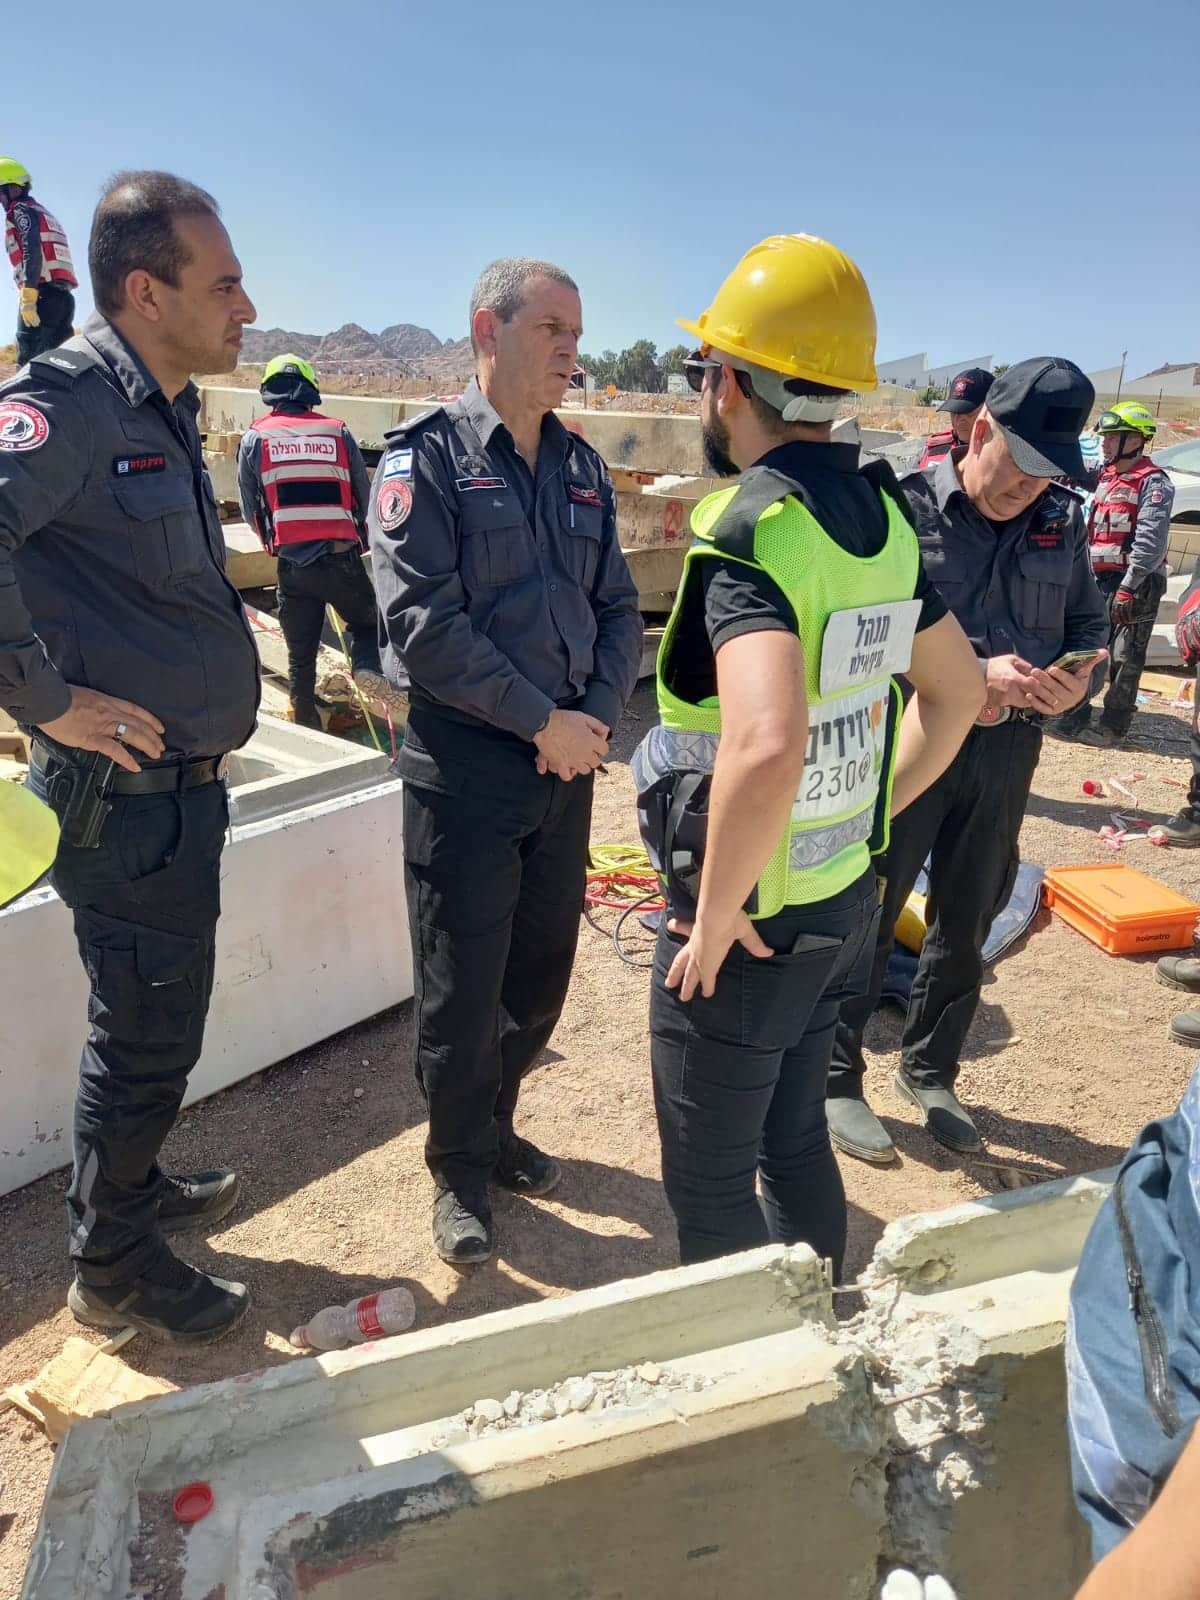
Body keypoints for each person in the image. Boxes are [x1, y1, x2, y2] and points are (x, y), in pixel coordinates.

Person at [633, 233, 983, 1273]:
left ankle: (756, 1364)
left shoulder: (752, 533)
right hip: (840, 901)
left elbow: (768, 739)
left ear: (732, 383)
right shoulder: (883, 520)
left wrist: (716, 912)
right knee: (792, 1143)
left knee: (710, 1189)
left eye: (706, 371)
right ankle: (818, 1335)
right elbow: (958, 694)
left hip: (754, 925)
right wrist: (868, 817)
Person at [1, 171, 260, 1343]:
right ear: (147, 292)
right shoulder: (72, 399)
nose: (246, 306)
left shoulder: (161, 405)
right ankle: (110, 1268)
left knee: (160, 1019)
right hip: (124, 802)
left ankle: (135, 1190)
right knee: (145, 1032)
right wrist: (46, 702)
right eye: (225, 284)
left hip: (175, 799)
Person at [371, 257, 642, 1265]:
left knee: (539, 972)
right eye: (551, 330)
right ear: (489, 331)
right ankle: (456, 1168)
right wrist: (542, 721)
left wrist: (596, 715)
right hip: (470, 767)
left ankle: (496, 1123)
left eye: (577, 333)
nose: (572, 351)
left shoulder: (581, 468)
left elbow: (620, 608)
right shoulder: (427, 461)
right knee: (462, 984)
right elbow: (424, 624)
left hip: (565, 764)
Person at [826, 358, 1110, 1166]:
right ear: (980, 429)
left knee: (969, 912)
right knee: (870, 908)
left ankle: (930, 1070)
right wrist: (969, 676)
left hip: (1007, 750)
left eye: (1050, 473)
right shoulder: (901, 508)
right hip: (910, 740)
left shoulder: (1060, 521)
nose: (1030, 487)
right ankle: (836, 1077)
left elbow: (1087, 625)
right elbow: (850, 638)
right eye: (1022, 465)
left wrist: (1076, 681)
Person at [237, 353, 403, 728]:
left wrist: (273, 543)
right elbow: (365, 495)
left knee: (300, 659)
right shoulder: (338, 432)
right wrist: (360, 540)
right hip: (341, 560)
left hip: (293, 568)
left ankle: (306, 722)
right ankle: (366, 668)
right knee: (368, 624)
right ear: (310, 390)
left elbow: (250, 507)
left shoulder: (255, 438)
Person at [1052, 401, 1173, 748]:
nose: (1103, 444)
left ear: (1134, 440)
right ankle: (1076, 713)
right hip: (1099, 579)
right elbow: (1075, 473)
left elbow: (1150, 544)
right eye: (1104, 437)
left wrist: (1129, 587)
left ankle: (1114, 724)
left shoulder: (1154, 483)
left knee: (1125, 654)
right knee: (1089, 647)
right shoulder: (1107, 475)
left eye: (1111, 437)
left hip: (1136, 582)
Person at [0, 157, 77, 364]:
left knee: (28, 365)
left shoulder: (20, 210)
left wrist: (29, 294)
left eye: (0, 193)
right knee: (60, 367)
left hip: (41, 297)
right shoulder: (43, 212)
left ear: (13, 189)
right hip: (64, 300)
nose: (0, 201)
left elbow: (32, 247)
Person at [916, 367, 993, 470]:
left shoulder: (1006, 458)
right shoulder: (932, 449)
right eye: (954, 411)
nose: (959, 419)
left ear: (990, 411)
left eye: (968, 411)